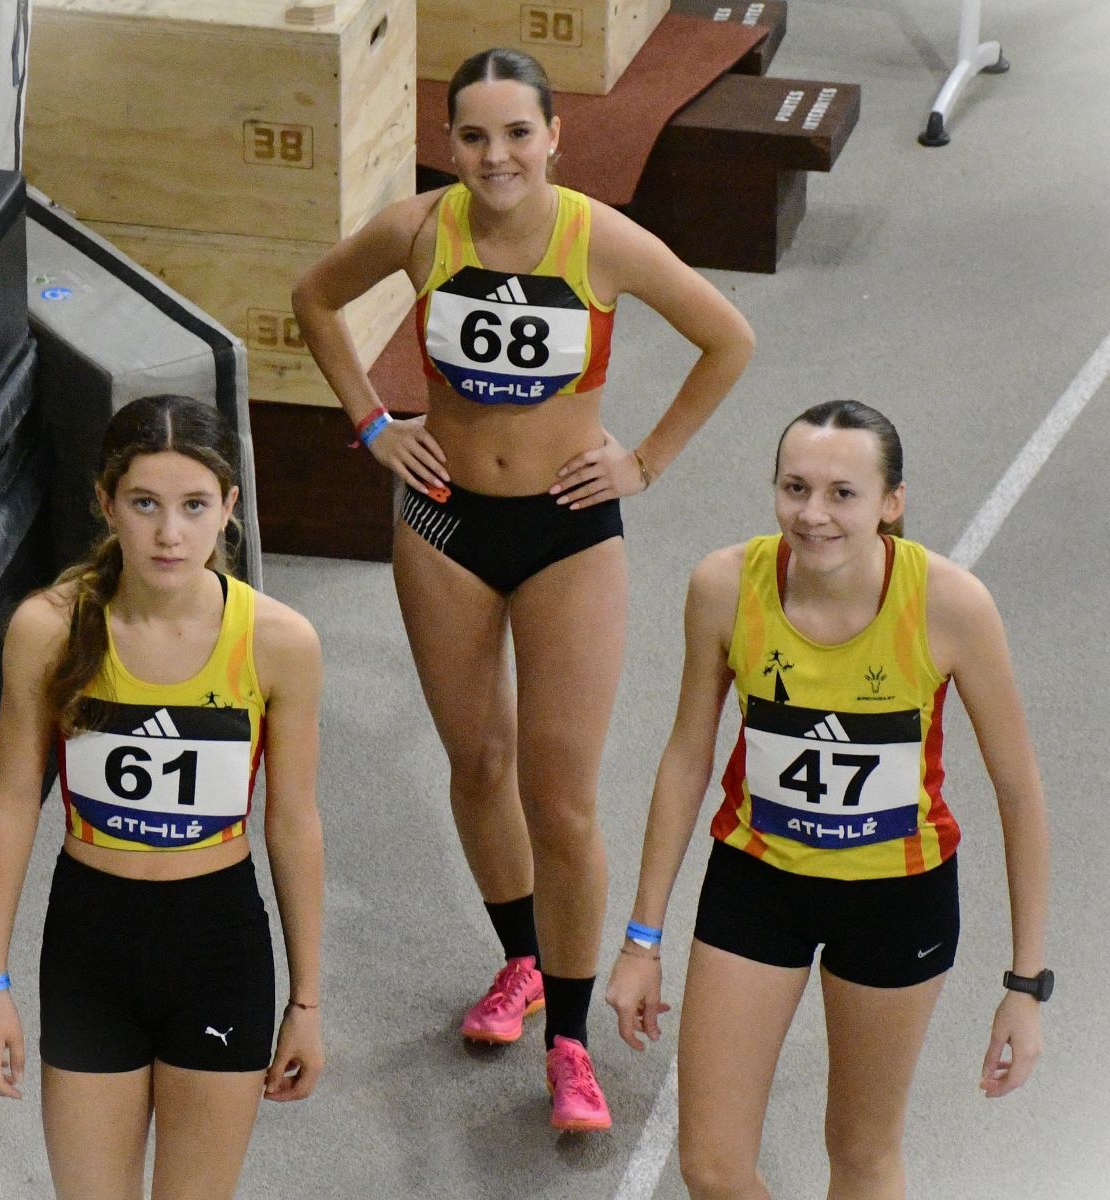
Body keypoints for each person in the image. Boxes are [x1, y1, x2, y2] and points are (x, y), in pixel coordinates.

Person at [291, 47, 754, 1130]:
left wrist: (645, 461)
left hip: (567, 532)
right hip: (442, 524)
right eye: (473, 136)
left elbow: (728, 339)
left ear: (554, 136)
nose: (495, 155)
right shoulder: (419, 230)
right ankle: (522, 962)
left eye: (516, 133)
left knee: (562, 798)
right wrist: (372, 424)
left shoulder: (602, 239)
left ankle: (572, 1042)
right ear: (450, 144)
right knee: (479, 763)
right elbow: (313, 297)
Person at [606, 399, 1051, 1198]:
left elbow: (1019, 794)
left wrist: (1025, 987)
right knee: (711, 1167)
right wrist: (642, 940)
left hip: (897, 901)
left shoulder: (952, 606)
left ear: (891, 502)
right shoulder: (723, 586)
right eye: (795, 488)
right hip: (757, 883)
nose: (813, 514)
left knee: (861, 1153)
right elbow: (686, 757)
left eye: (843, 494)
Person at [0, 394, 325, 1200]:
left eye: (194, 506)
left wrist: (306, 1000)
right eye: (145, 504)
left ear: (229, 507)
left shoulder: (279, 643)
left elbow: (294, 823)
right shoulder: (47, 629)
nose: (170, 534)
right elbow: (11, 803)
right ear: (106, 503)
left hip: (218, 949)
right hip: (89, 946)